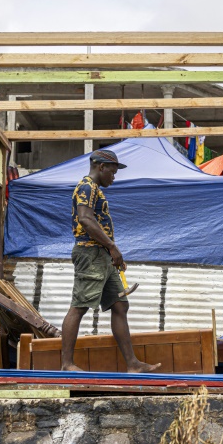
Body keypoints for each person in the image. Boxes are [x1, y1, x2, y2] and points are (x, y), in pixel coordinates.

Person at [61, 149, 160, 373]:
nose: (113, 178)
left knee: (120, 305)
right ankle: (66, 365)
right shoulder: (86, 186)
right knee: (79, 306)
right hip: (90, 253)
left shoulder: (94, 189)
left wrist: (111, 252)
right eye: (112, 173)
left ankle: (133, 365)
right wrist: (112, 246)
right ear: (101, 167)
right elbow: (85, 219)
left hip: (101, 255)